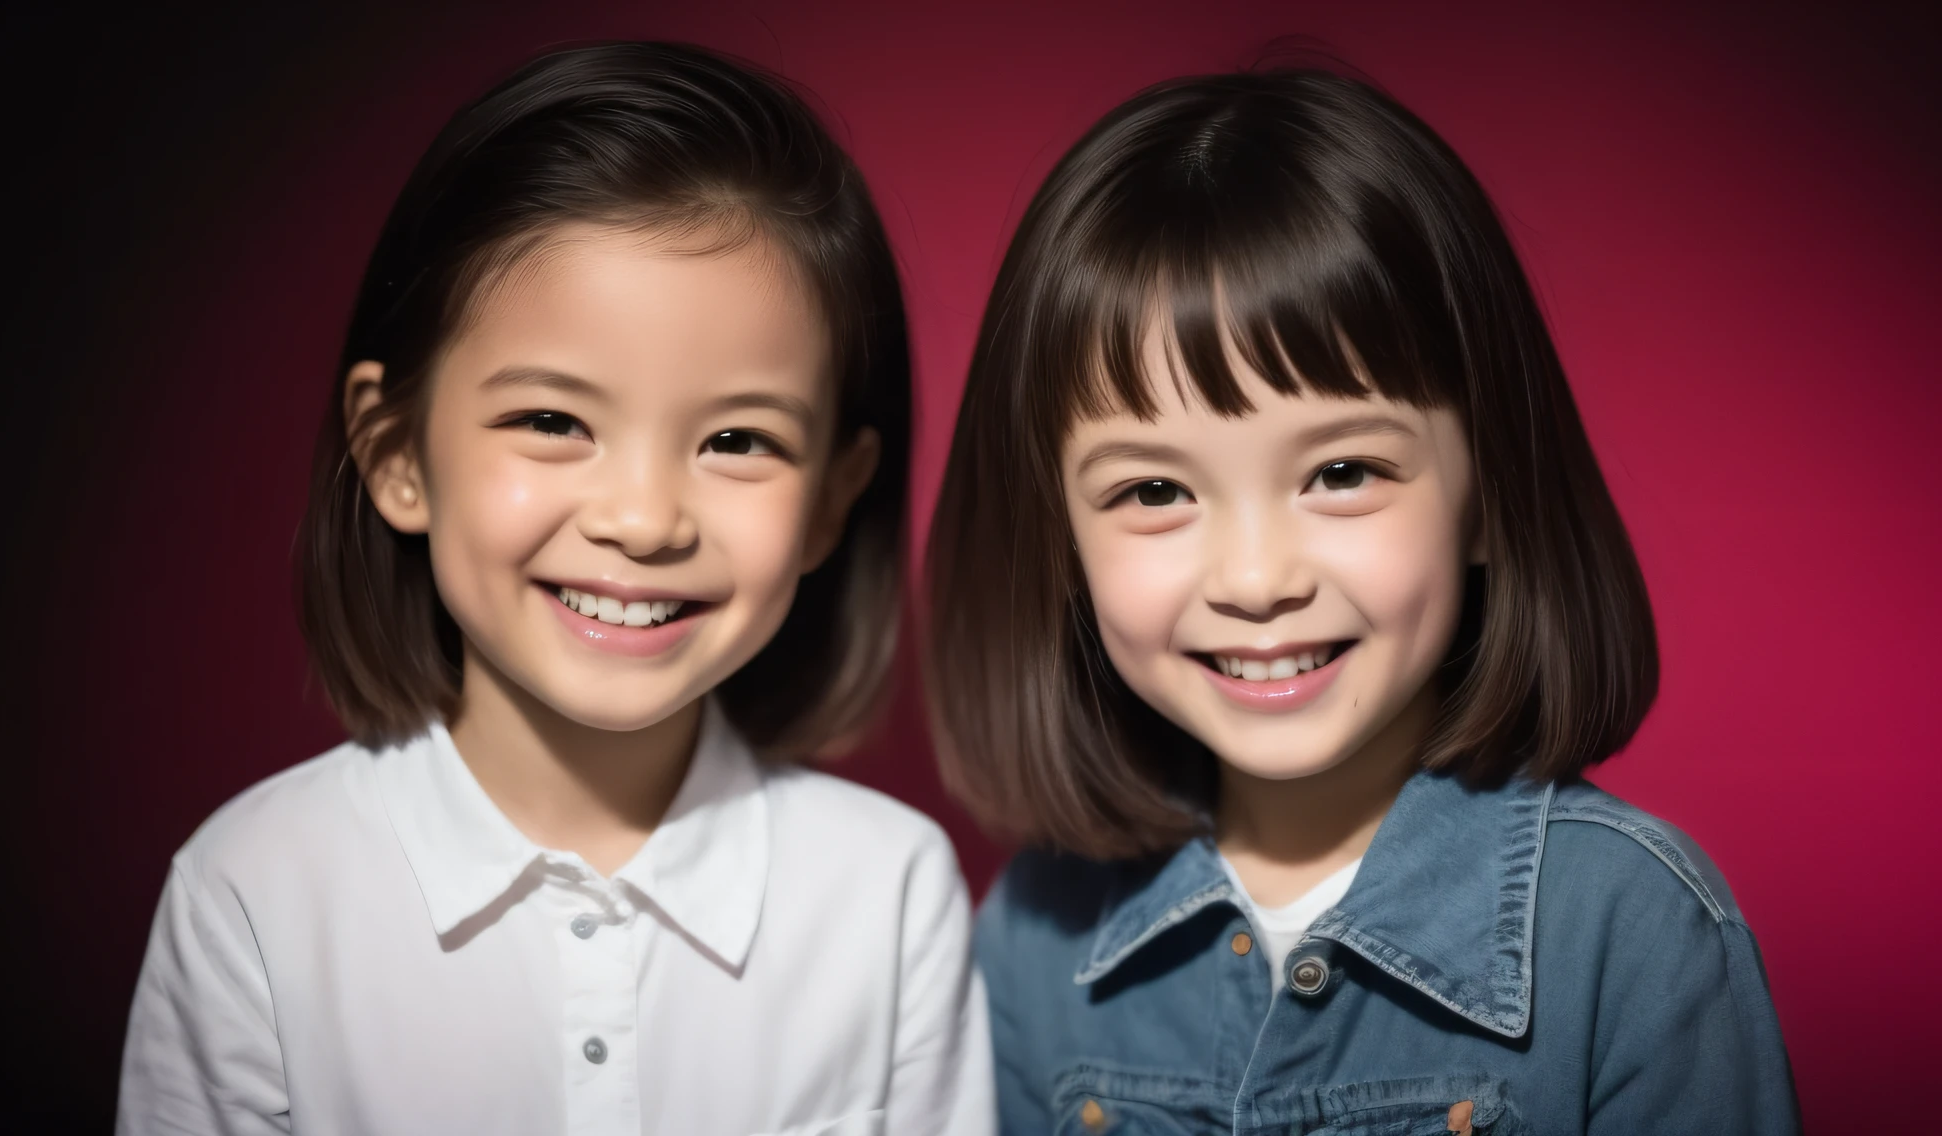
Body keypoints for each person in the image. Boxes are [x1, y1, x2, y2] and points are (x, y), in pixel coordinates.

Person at [119, 41, 991, 1136]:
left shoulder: (887, 893)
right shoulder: (255, 891)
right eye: (551, 421)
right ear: (395, 452)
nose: (641, 517)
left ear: (828, 500)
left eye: (735, 438)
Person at [926, 68, 1796, 1134]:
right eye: (1153, 489)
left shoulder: (1628, 928)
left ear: (1488, 492)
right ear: (1057, 542)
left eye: (1340, 472)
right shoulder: (1033, 937)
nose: (1255, 580)